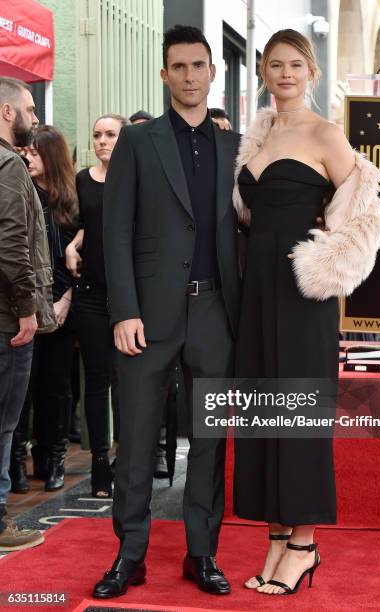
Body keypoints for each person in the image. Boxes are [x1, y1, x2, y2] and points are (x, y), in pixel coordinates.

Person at [232, 29, 380, 596]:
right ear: (264, 73)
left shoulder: (327, 134)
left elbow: (365, 217)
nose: (286, 74)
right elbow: (247, 216)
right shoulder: (259, 135)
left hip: (303, 299)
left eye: (296, 64)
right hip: (256, 296)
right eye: (275, 65)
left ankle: (304, 544)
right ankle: (275, 537)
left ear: (312, 71)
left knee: (297, 420)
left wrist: (323, 265)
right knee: (261, 416)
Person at [93, 25, 241, 599]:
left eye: (198, 66)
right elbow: (116, 229)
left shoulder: (235, 145)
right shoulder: (138, 141)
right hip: (147, 317)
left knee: (209, 440)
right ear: (164, 74)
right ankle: (129, 557)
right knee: (134, 441)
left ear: (212, 72)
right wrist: (123, 310)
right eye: (177, 66)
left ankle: (201, 554)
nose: (188, 76)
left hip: (215, 315)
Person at [0, 77, 56, 550]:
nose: (34, 120)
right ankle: (0, 525)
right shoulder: (8, 167)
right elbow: (14, 247)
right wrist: (25, 311)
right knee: (3, 424)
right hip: (6, 320)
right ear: (6, 112)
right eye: (29, 109)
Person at [10, 125, 79, 493]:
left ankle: (53, 457)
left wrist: (66, 298)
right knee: (23, 390)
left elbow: (80, 255)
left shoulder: (70, 200)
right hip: (28, 306)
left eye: (35, 153)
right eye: (26, 152)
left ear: (50, 156)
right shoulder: (22, 191)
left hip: (65, 305)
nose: (27, 158)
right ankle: (17, 461)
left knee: (57, 388)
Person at [65, 113, 127, 498]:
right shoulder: (83, 180)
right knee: (96, 380)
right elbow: (86, 222)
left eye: (110, 135)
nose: (102, 141)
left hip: (125, 296)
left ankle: (126, 456)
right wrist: (73, 243)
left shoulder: (134, 180)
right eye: (97, 135)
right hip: (89, 291)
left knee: (125, 382)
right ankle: (100, 463)